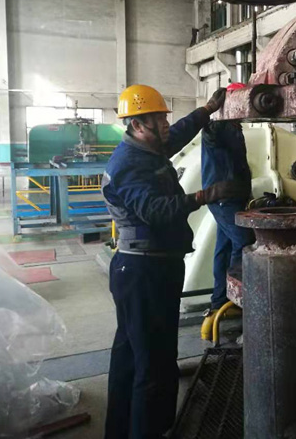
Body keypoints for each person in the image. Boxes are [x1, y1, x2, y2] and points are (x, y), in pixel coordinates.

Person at [103, 84, 241, 439]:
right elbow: (156, 211)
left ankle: (121, 430)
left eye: (165, 117)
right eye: (158, 119)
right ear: (137, 124)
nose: (166, 124)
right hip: (143, 271)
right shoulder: (128, 164)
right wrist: (206, 194)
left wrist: (207, 110)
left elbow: (177, 134)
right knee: (154, 361)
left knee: (131, 356)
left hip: (149, 267)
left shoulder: (147, 148)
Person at [199, 93, 254, 340]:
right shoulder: (218, 128)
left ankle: (220, 299)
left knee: (224, 247)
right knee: (243, 242)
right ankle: (237, 298)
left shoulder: (234, 128)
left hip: (232, 197)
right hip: (224, 198)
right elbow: (210, 136)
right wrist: (212, 111)